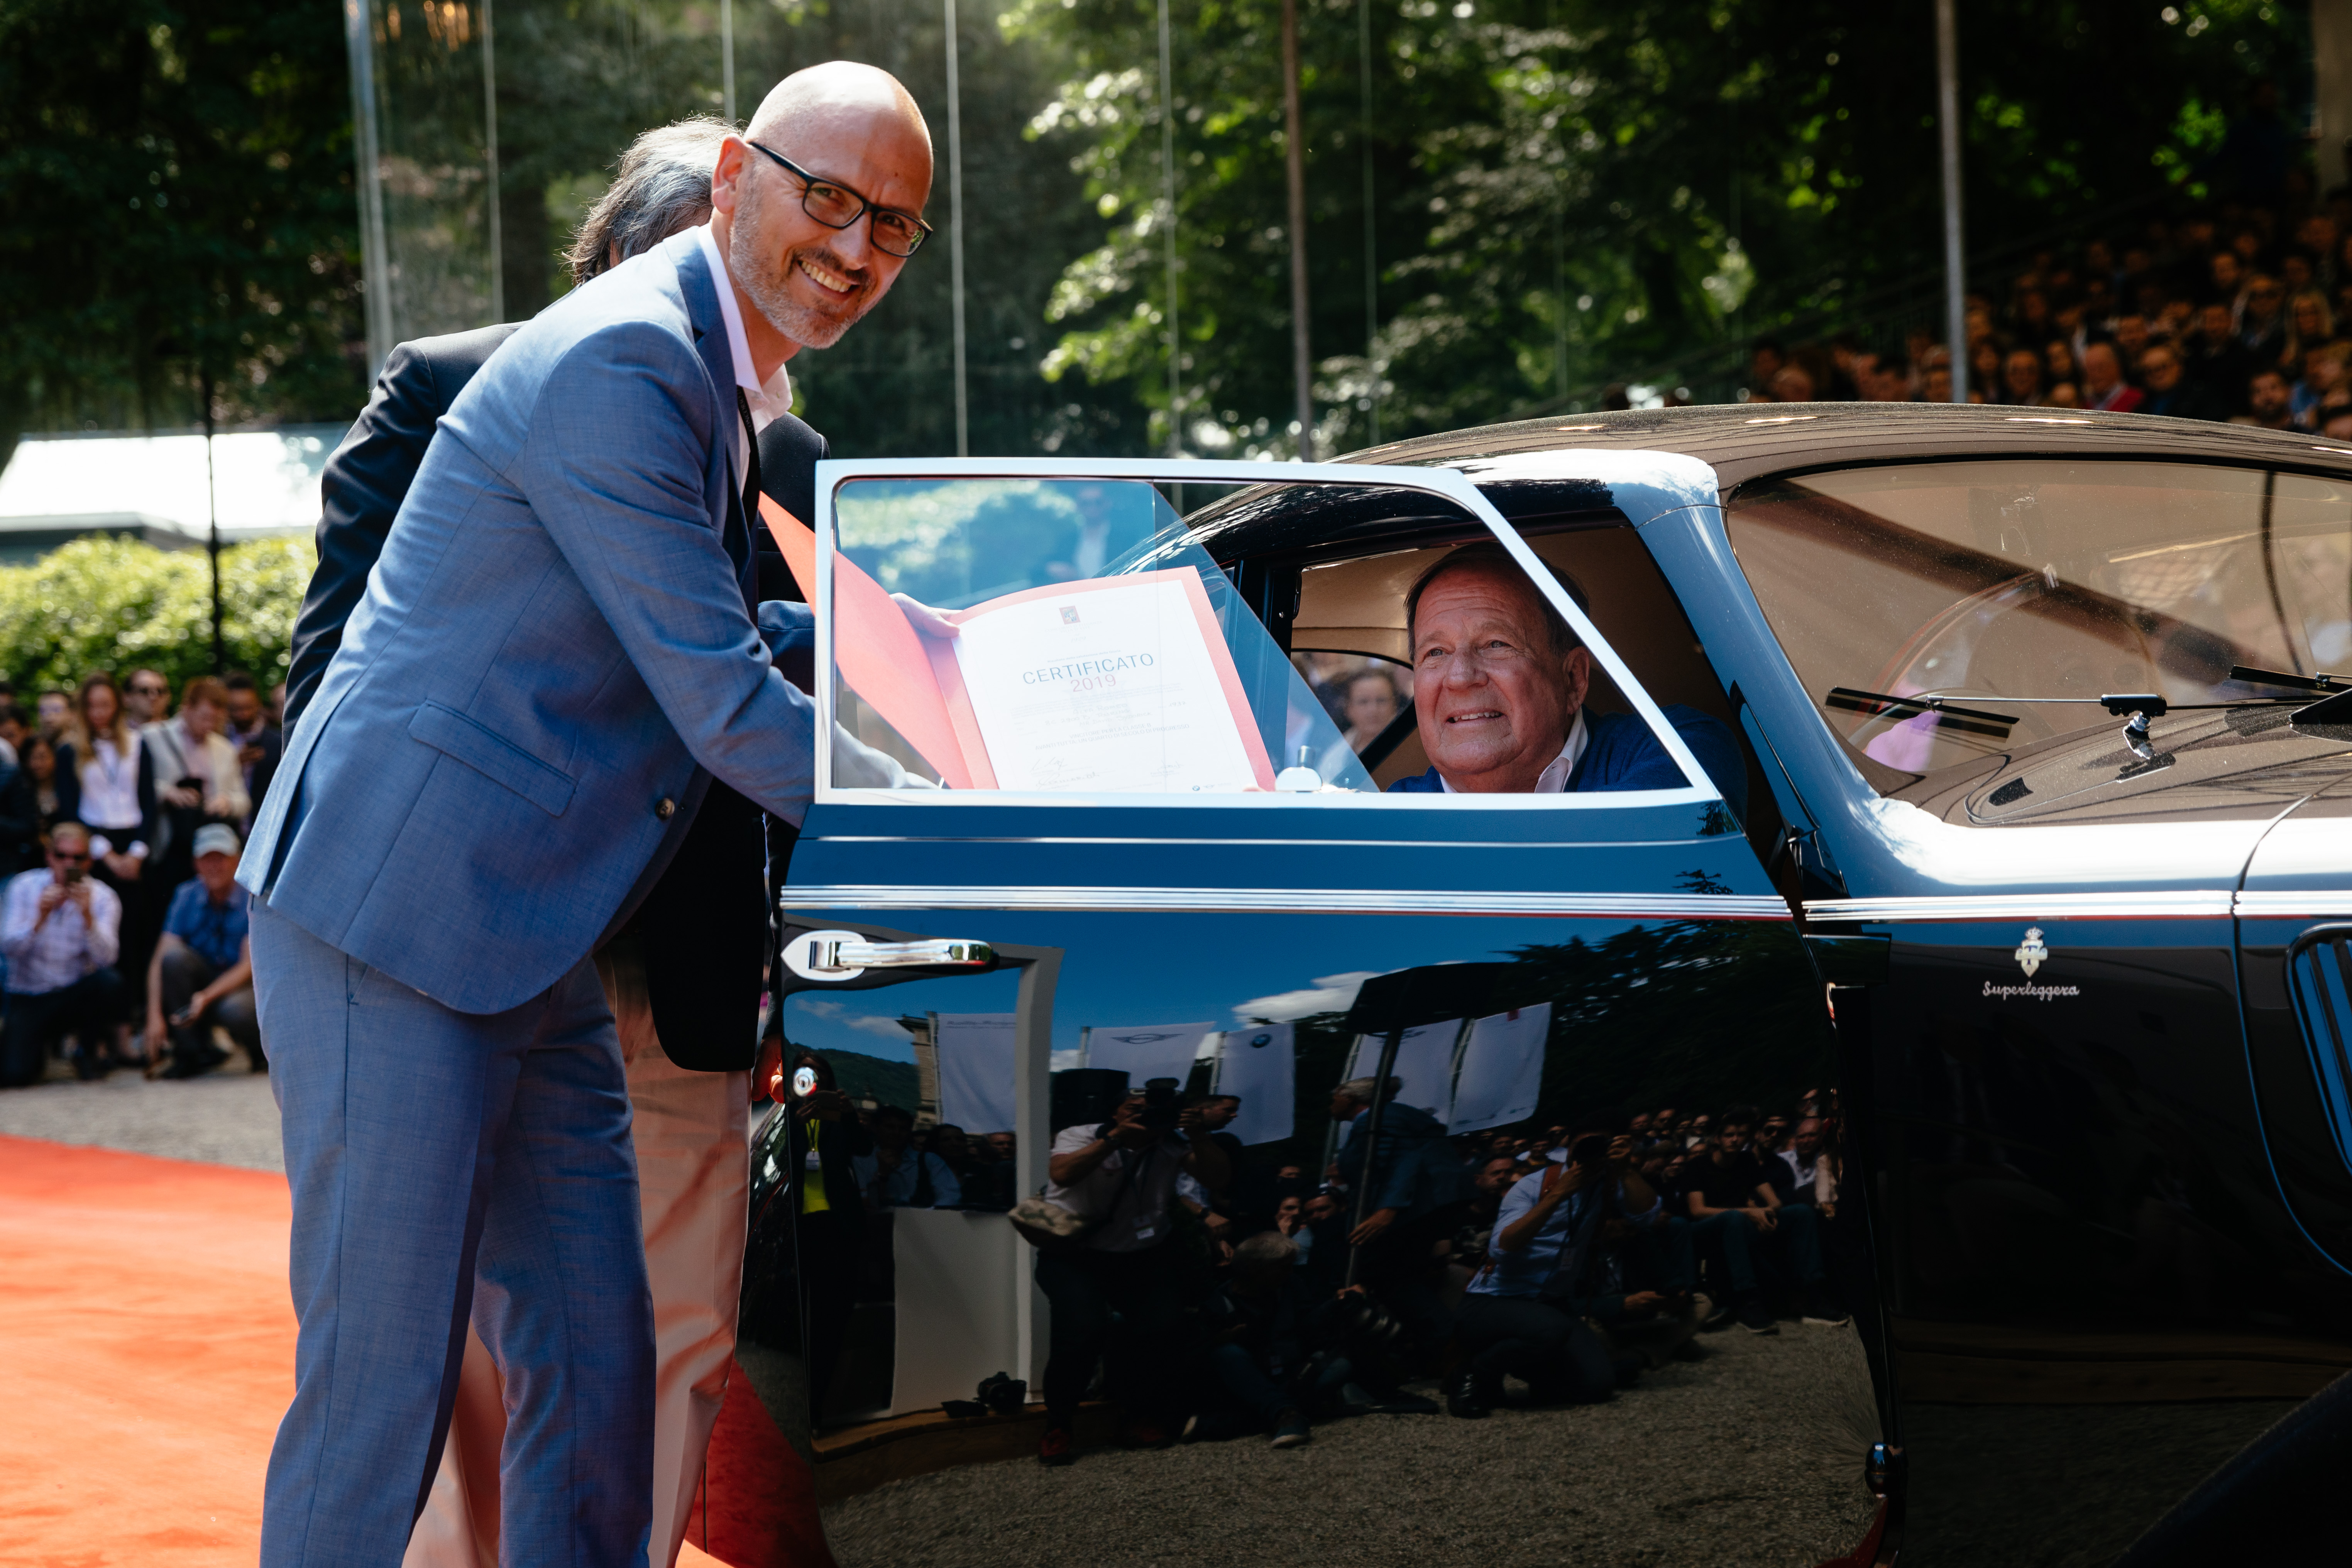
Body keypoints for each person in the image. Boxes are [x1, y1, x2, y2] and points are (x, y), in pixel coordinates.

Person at [239, 64, 935, 1568]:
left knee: (600, 1371)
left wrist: (932, 659)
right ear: (738, 175)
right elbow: (724, 702)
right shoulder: (631, 355)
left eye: (893, 222)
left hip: (531, 934)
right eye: (829, 197)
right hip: (395, 917)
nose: (856, 245)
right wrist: (961, 815)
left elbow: (742, 633)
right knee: (381, 1392)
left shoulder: (719, 378)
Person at [1386, 543, 1746, 812]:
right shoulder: (1389, 815)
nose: (1461, 676)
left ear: (1573, 679)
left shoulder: (1682, 748)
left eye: (1497, 644)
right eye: (1436, 653)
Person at [1034, 1086, 1231, 1464]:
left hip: (1140, 1256)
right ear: (1115, 1112)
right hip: (1074, 1254)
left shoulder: (1172, 1143)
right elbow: (1062, 1173)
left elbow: (1218, 1178)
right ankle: (1058, 1425)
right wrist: (1115, 1139)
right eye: (1134, 1108)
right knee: (1082, 1334)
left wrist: (1198, 1135)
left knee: (1162, 1332)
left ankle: (1138, 1416)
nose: (1144, 1115)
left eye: (1152, 1110)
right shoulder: (1081, 1134)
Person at [1448, 1139, 1648, 1418]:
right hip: (1492, 1301)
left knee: (1596, 1386)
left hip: (1551, 1304)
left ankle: (1544, 1373)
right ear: (1569, 1151)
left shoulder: (1608, 1185)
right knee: (1551, 1328)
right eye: (1585, 1146)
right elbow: (1502, 1249)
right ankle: (1474, 1370)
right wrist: (1559, 1193)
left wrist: (1626, 1171)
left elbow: (1647, 1218)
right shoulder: (1532, 1185)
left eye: (1602, 1147)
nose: (1592, 1155)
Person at [0, 824, 122, 1087]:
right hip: (30, 997)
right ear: (49, 856)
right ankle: (36, 1049)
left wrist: (88, 919)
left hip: (72, 995)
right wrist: (38, 920)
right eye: (61, 855)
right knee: (15, 1076)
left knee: (109, 983)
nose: (69, 864)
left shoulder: (103, 897)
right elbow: (7, 948)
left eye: (77, 858)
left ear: (89, 862)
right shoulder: (23, 887)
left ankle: (87, 1050)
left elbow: (108, 960)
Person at [144, 823, 261, 1078]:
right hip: (204, 983)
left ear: (238, 860)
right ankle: (191, 1052)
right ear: (196, 863)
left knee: (235, 1009)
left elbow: (248, 965)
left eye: (222, 858)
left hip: (244, 988)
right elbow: (160, 958)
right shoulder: (185, 894)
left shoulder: (252, 897)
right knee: (174, 959)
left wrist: (206, 997)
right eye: (207, 859)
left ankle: (260, 1051)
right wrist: (153, 1016)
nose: (214, 866)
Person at [856, 1105, 963, 1208]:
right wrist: (882, 1174)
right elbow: (868, 1203)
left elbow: (949, 1197)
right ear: (875, 1128)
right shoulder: (861, 1161)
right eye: (890, 1127)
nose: (897, 1133)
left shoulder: (930, 1160)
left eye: (903, 1129)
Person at [223, 672, 281, 829]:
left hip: (266, 826)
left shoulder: (278, 742)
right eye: (235, 709)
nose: (243, 715)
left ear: (258, 704)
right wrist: (235, 763)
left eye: (248, 707)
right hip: (228, 829)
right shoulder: (218, 740)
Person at [2138, 344, 2226, 421]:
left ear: (2179, 366)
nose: (2158, 375)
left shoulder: (2203, 398)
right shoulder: (2141, 408)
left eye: (2163, 367)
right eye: (2149, 371)